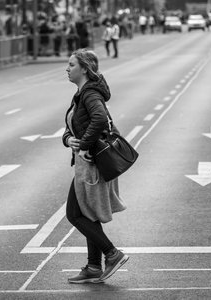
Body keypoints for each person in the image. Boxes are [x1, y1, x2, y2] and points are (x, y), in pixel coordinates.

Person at [63, 49, 129, 284]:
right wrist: (68, 140)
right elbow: (74, 125)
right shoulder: (82, 93)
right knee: (88, 213)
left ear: (84, 68)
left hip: (90, 164)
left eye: (71, 64)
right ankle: (93, 266)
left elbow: (99, 119)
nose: (67, 68)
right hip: (86, 163)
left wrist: (84, 147)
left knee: (74, 214)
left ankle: (112, 254)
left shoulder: (90, 93)